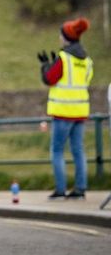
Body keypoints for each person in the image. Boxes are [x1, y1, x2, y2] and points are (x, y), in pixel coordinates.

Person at [39, 17, 92, 200]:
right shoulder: (87, 60)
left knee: (57, 151)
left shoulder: (64, 58)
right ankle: (80, 189)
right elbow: (85, 81)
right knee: (78, 151)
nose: (59, 37)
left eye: (61, 35)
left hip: (63, 111)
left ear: (66, 37)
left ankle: (60, 190)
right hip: (80, 111)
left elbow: (49, 79)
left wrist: (45, 66)